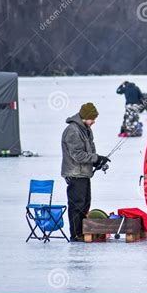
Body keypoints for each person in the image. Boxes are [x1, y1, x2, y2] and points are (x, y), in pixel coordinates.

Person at [61, 103, 110, 242]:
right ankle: (76, 234)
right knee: (77, 204)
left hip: (84, 173)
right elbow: (77, 155)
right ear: (85, 117)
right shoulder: (73, 131)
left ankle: (83, 232)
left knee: (85, 204)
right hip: (75, 174)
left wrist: (97, 162)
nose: (94, 121)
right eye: (92, 118)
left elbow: (90, 152)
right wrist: (96, 158)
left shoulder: (86, 129)